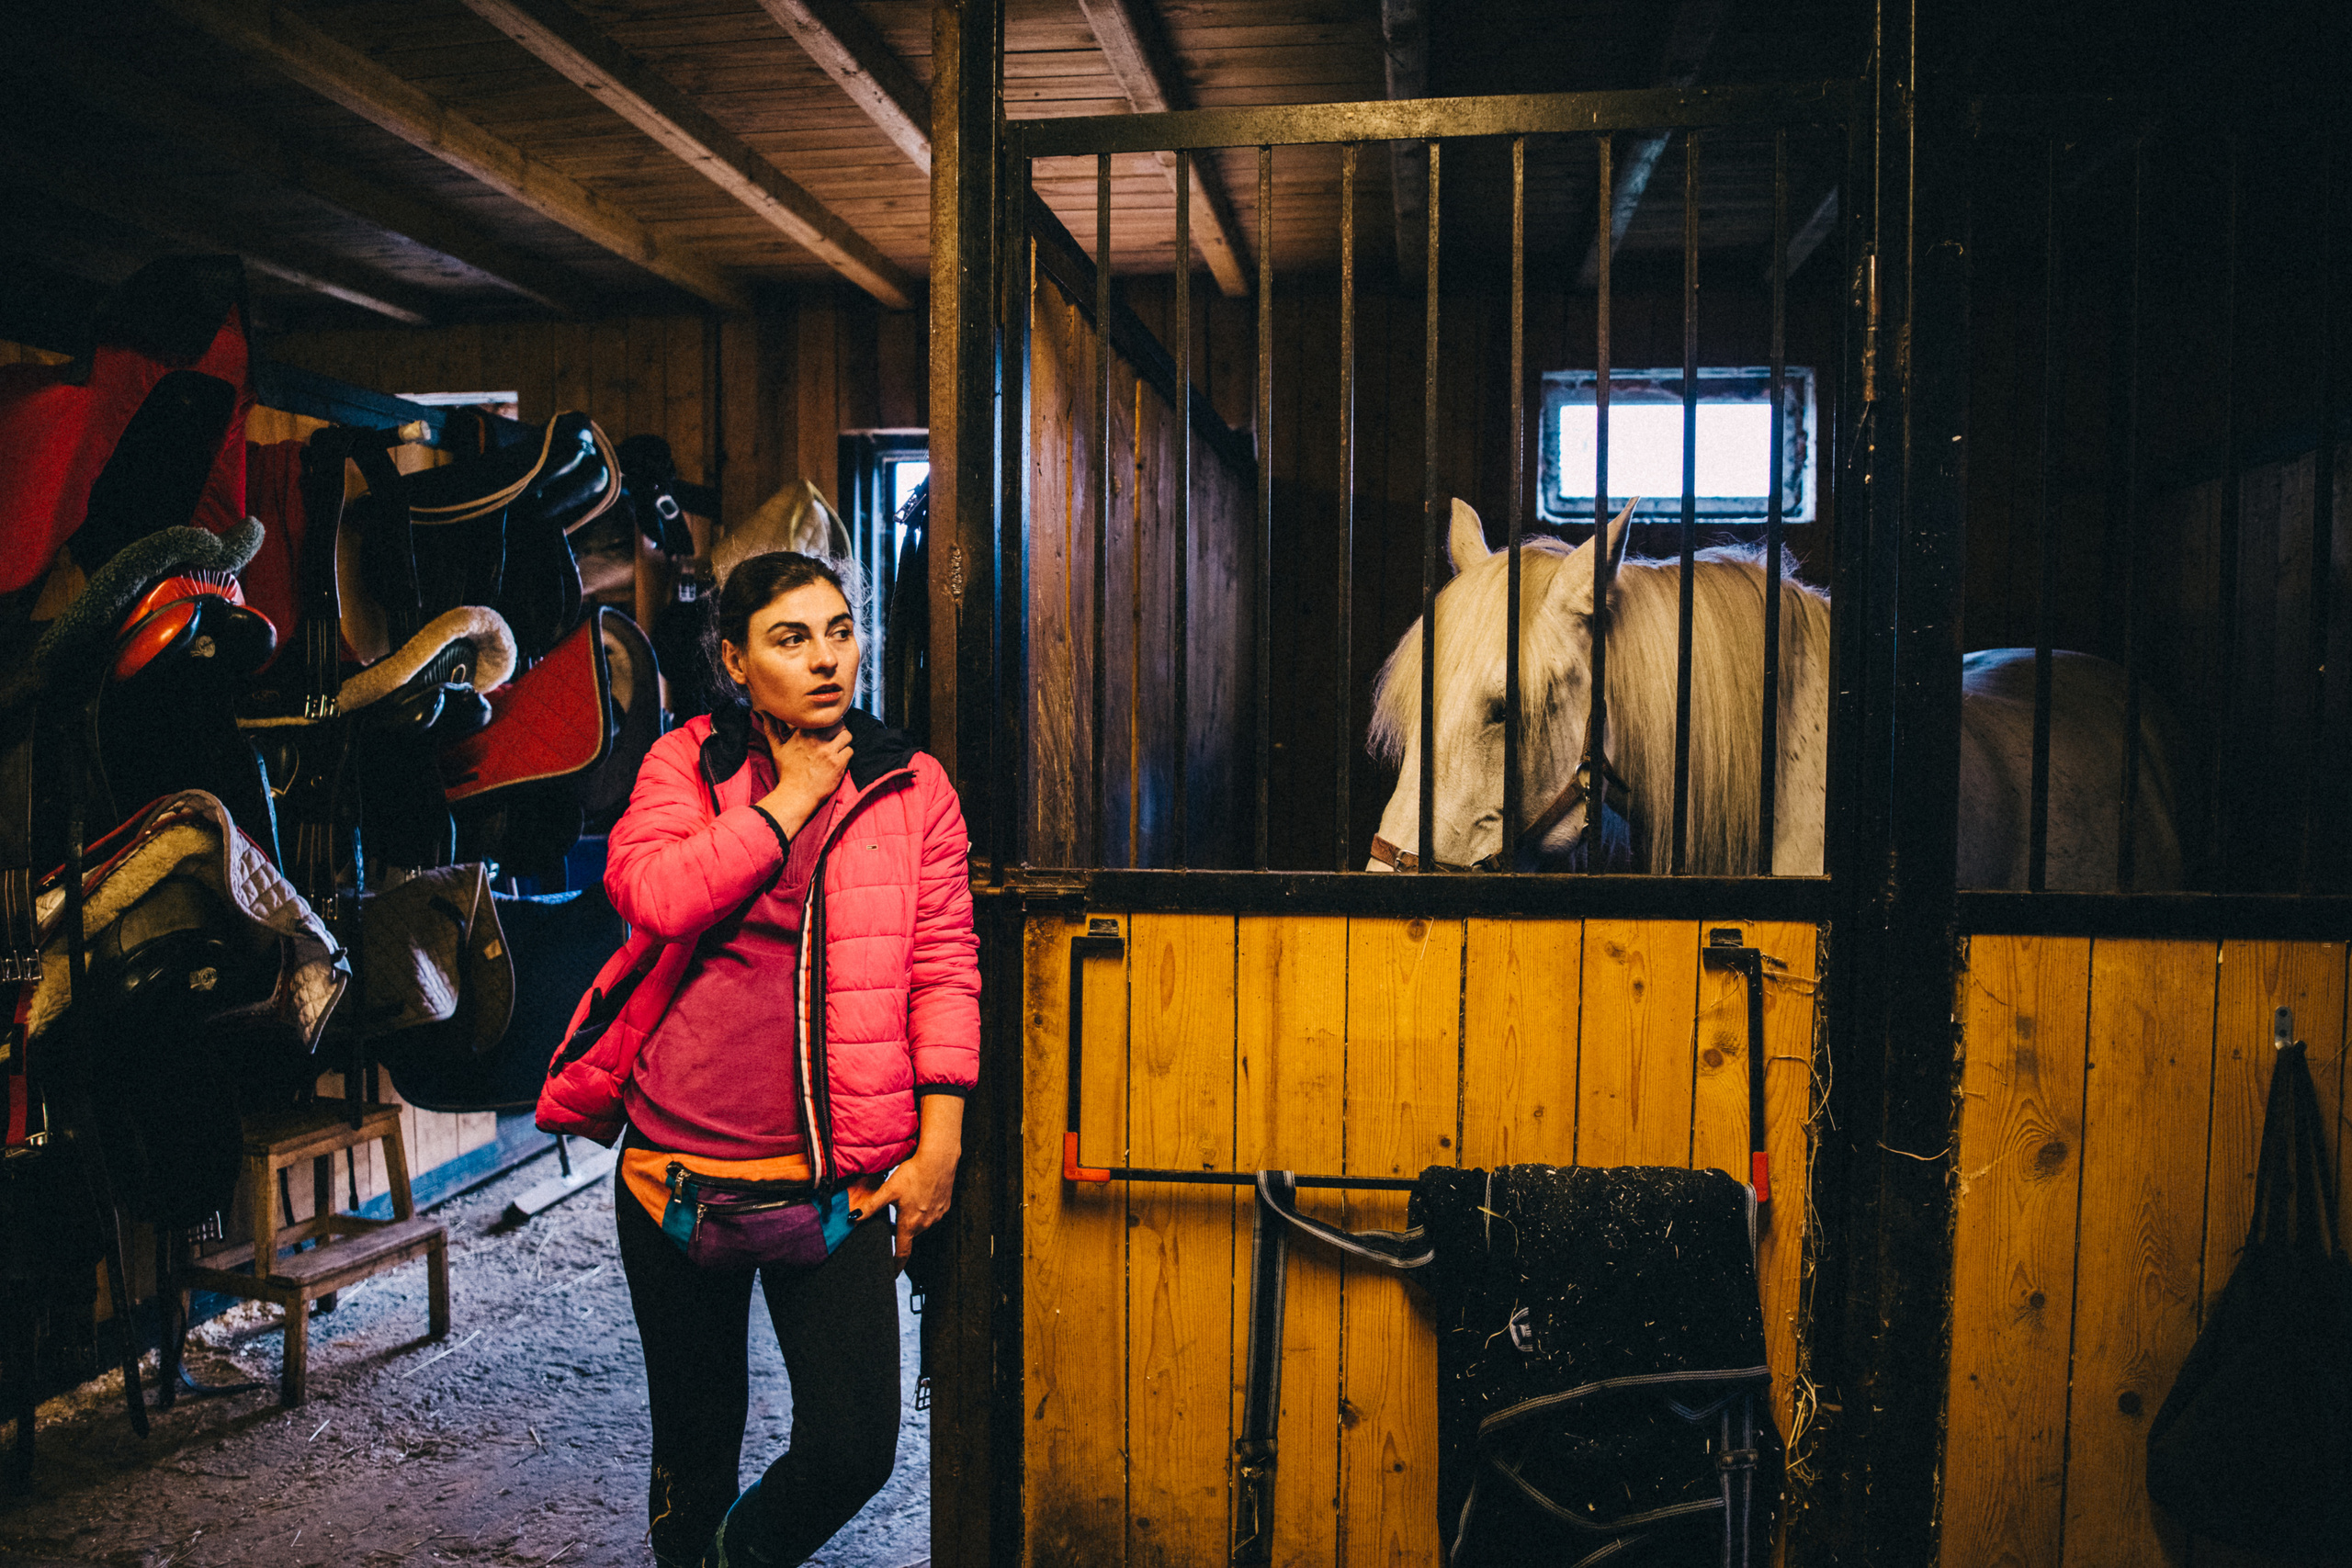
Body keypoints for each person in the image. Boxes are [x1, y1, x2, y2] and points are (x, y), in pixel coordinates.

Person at [538, 550, 978, 1567]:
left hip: (834, 1187)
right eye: (791, 639)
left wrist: (939, 1145)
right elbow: (655, 893)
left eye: (838, 630)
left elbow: (943, 964)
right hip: (675, 1183)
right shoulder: (684, 766)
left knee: (855, 1446)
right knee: (695, 1455)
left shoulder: (912, 785)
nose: (826, 659)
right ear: (735, 661)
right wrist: (784, 802)